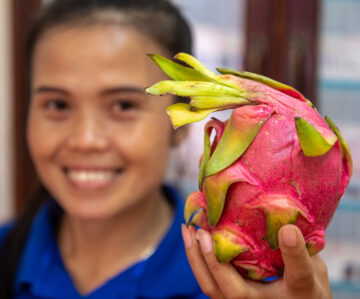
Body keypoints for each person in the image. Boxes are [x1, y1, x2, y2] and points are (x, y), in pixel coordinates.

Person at [0, 0, 332, 298]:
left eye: (123, 105)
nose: (85, 139)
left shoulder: (234, 285)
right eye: (57, 104)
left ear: (181, 120)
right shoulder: (7, 253)